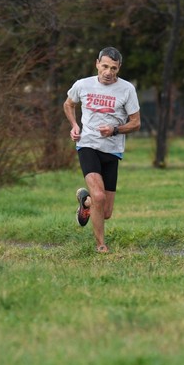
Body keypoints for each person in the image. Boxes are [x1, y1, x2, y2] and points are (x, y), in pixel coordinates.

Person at [63, 47, 141, 253]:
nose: (108, 72)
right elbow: (69, 104)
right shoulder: (83, 85)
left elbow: (136, 123)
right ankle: (101, 246)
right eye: (105, 66)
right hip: (87, 144)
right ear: (97, 63)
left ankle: (85, 202)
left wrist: (115, 129)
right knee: (99, 196)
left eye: (113, 68)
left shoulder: (127, 90)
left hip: (112, 150)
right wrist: (74, 125)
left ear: (119, 68)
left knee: (105, 211)